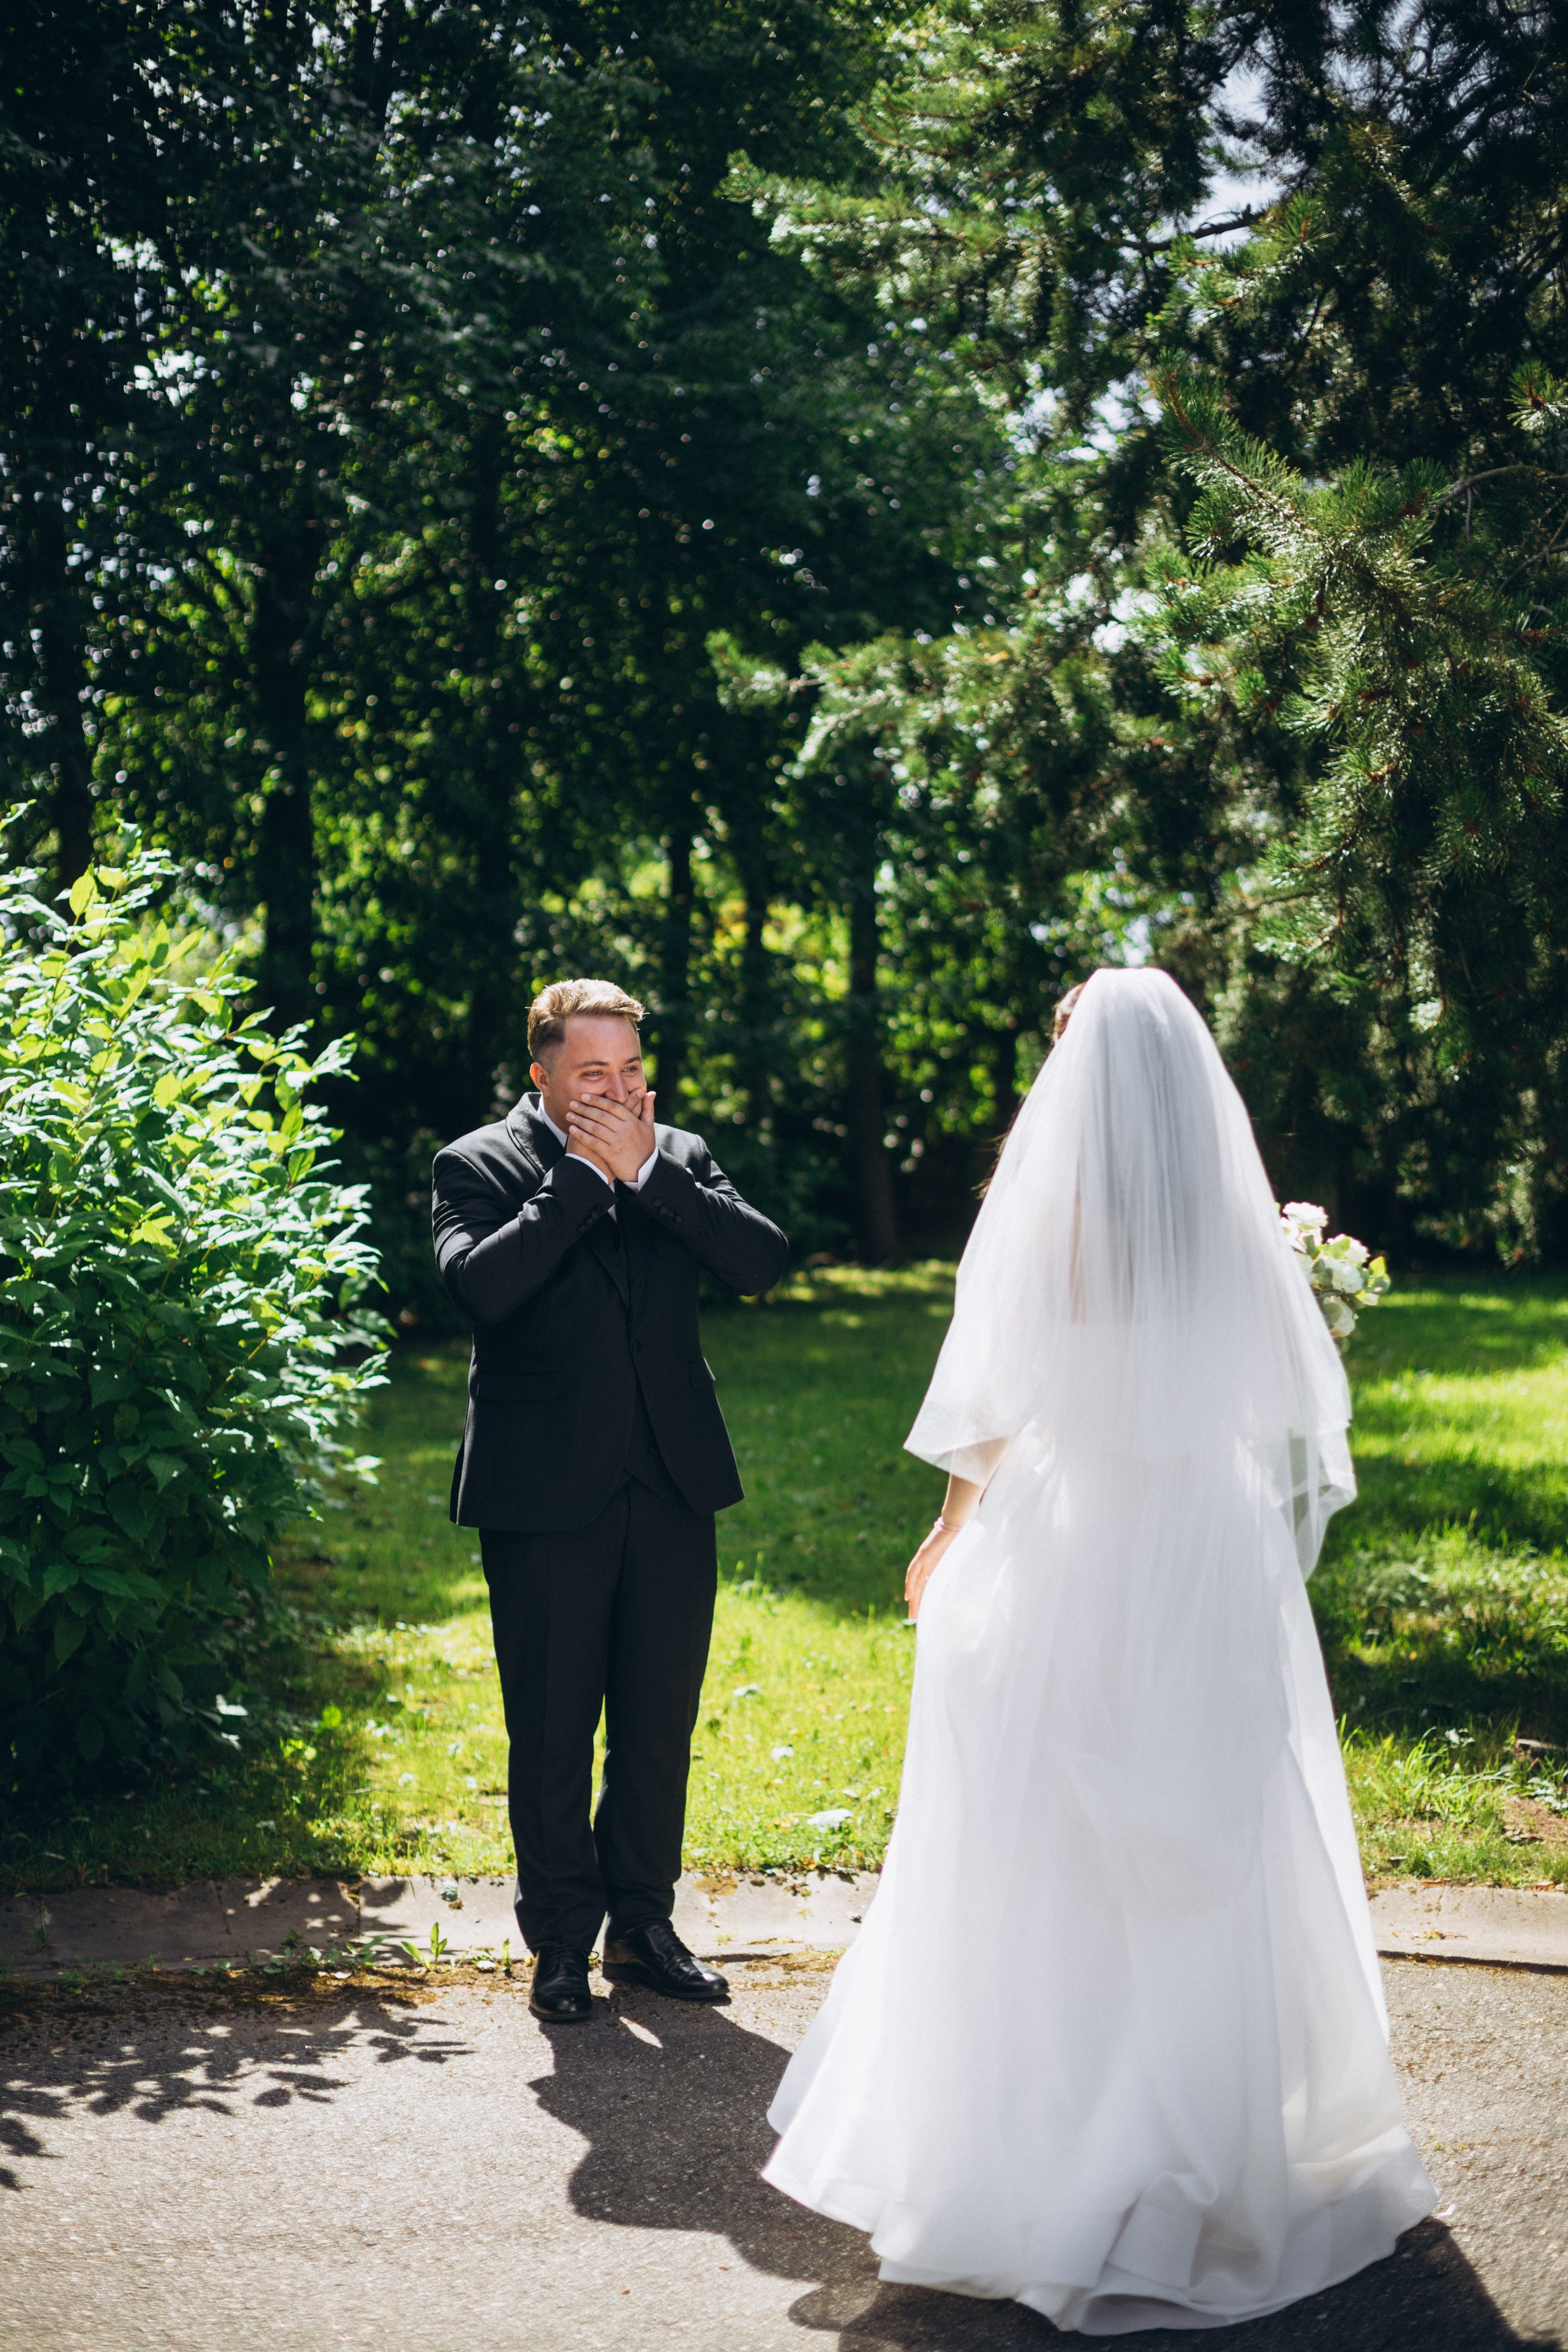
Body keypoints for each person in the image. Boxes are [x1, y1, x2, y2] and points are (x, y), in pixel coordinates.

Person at [763, 967, 1434, 2332]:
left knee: (1050, 1824)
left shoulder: (1053, 1209)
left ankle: (1050, 2141)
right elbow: (1262, 1386)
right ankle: (1209, 2138)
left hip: (1078, 1537)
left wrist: (949, 1529)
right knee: (1201, 1820)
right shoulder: (1229, 1220)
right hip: (1201, 1535)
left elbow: (998, 1397)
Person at [431, 978, 788, 2022]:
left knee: (656, 1722)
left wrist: (649, 1173)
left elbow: (760, 1262)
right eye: (595, 1073)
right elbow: (482, 1290)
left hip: (673, 1478)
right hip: (542, 1490)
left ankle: (641, 1926)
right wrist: (587, 1177)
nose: (621, 1090)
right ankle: (559, 1942)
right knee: (551, 1729)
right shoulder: (476, 1163)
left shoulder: (679, 1154)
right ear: (541, 1075)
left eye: (632, 1070)